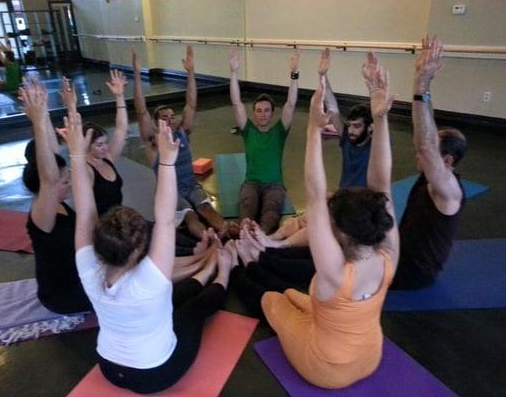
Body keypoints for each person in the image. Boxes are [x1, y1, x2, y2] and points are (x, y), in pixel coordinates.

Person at [227, 53, 399, 389]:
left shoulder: (334, 268)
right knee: (294, 293)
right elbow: (382, 184)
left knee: (273, 299)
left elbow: (317, 193)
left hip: (326, 368)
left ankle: (237, 265)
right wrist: (381, 118)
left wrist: (312, 133)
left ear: (341, 235)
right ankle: (256, 253)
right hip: (370, 354)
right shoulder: (387, 255)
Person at [62, 105, 235, 393]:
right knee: (191, 312)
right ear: (139, 248)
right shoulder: (150, 278)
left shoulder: (88, 266)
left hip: (108, 366)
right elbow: (166, 219)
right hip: (155, 375)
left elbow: (84, 210)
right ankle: (223, 274)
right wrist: (167, 162)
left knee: (172, 299)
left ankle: (206, 270)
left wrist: (76, 155)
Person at [132, 47, 235, 239]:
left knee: (207, 209)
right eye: (165, 117)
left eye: (172, 116)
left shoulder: (183, 132)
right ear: (156, 122)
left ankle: (234, 236)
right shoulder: (153, 142)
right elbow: (140, 110)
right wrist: (137, 75)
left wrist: (190, 72)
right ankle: (212, 242)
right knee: (190, 216)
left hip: (192, 185)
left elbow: (191, 103)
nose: (170, 120)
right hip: (170, 191)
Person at [391, 36, 466, 289]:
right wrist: (427, 85)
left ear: (446, 160)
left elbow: (425, 147)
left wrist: (419, 85)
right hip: (399, 255)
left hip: (413, 273)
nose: (418, 153)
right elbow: (427, 133)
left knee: (338, 258)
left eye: (434, 152)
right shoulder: (436, 173)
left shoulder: (448, 189)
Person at [20, 78, 92, 314]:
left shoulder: (56, 203)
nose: (68, 184)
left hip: (81, 279)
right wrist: (38, 122)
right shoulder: (42, 214)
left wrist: (44, 113)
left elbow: (53, 154)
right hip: (63, 295)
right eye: (65, 181)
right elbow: (50, 177)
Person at [229, 46, 299, 234]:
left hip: (274, 185)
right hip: (251, 183)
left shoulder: (279, 132)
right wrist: (234, 72)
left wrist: (294, 74)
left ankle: (261, 238)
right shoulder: (248, 130)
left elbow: (291, 104)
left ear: (272, 113)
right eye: (258, 111)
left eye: (266, 110)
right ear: (254, 113)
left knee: (270, 215)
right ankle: (245, 237)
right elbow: (236, 102)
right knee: (246, 211)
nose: (262, 114)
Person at [59, 71, 128, 216]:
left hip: (119, 220)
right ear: (86, 146)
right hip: (102, 227)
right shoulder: (85, 169)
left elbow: (121, 129)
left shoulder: (107, 159)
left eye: (105, 143)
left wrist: (119, 96)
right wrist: (71, 106)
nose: (105, 148)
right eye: (99, 145)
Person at [318, 48, 374, 188]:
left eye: (357, 126)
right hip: (343, 198)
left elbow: (379, 116)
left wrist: (373, 86)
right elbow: (332, 106)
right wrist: (322, 75)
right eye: (350, 125)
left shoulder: (375, 146)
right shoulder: (346, 139)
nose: (351, 130)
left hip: (365, 202)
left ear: (370, 127)